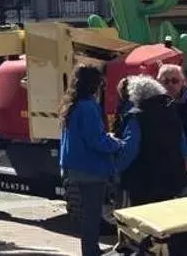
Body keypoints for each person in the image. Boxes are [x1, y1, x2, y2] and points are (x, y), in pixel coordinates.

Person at [59, 64, 123, 256]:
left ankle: (90, 250)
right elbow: (96, 140)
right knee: (92, 214)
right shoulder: (88, 107)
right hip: (91, 168)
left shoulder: (72, 105)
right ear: (94, 84)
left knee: (88, 213)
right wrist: (117, 144)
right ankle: (91, 251)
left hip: (75, 166)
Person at [115, 75, 187, 206]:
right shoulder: (171, 111)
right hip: (171, 177)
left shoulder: (136, 116)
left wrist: (115, 167)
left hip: (143, 179)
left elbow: (130, 149)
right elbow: (181, 138)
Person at [158, 64, 187, 152]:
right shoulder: (155, 105)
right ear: (158, 83)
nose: (170, 84)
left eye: (175, 81)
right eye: (166, 81)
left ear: (182, 82)